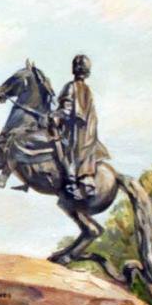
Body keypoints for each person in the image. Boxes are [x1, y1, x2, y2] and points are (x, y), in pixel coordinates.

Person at [51, 54, 110, 200]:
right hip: (89, 135)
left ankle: (71, 183)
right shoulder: (88, 90)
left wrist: (52, 115)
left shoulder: (70, 87)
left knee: (58, 147)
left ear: (74, 69)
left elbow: (66, 111)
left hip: (75, 134)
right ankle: (86, 179)